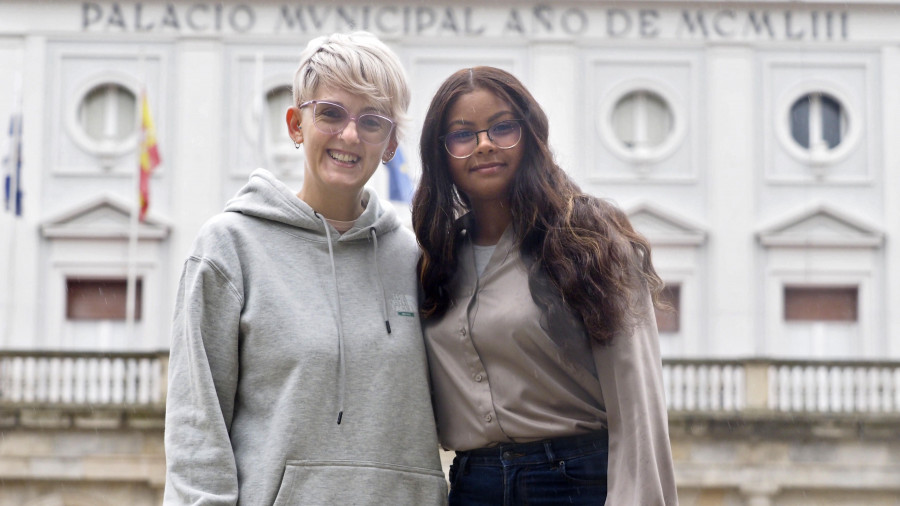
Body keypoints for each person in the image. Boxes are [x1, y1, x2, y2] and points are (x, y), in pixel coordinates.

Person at [164, 32, 448, 505]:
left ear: (392, 142)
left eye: (372, 121)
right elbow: (197, 425)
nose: (350, 135)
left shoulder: (414, 259)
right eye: (331, 113)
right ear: (297, 124)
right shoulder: (230, 246)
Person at [412, 66, 678, 505]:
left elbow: (638, 404)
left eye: (502, 127)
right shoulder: (435, 260)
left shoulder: (588, 240)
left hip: (574, 481)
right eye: (463, 134)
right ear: (441, 153)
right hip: (473, 484)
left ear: (530, 134)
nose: (484, 145)